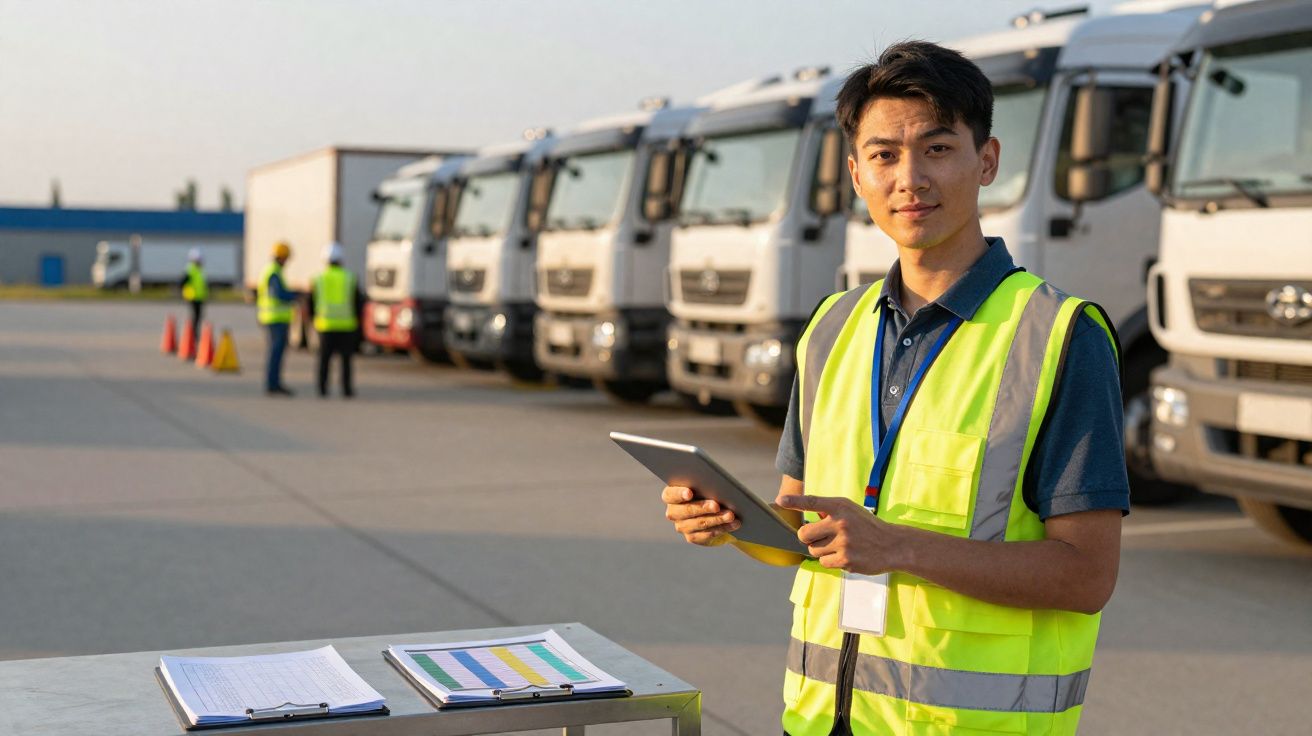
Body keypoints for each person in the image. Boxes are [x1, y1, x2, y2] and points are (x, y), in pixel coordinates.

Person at [660, 41, 1128, 736]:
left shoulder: (1058, 335)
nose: (909, 178)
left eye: (937, 149)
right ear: (856, 174)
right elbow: (800, 525)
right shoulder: (833, 327)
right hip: (822, 719)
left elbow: (1086, 577)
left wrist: (900, 547)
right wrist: (731, 524)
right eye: (883, 155)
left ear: (988, 161)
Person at [310, 242, 364, 398]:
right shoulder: (350, 277)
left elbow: (312, 302)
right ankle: (347, 390)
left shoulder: (319, 278)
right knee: (346, 361)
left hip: (325, 325)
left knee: (324, 360)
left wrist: (315, 318)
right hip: (347, 326)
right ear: (341, 260)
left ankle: (322, 389)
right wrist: (358, 321)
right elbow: (357, 302)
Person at [257, 241, 298, 397]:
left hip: (273, 317)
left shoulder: (272, 271)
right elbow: (278, 294)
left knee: (276, 352)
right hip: (275, 318)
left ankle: (274, 383)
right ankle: (273, 384)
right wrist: (295, 296)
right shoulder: (274, 272)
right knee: (276, 352)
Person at [178, 248, 207, 344]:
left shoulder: (198, 269)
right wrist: (185, 291)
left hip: (199, 297)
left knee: (198, 317)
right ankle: (193, 335)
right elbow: (182, 282)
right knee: (195, 317)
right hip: (193, 297)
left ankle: (194, 334)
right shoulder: (191, 269)